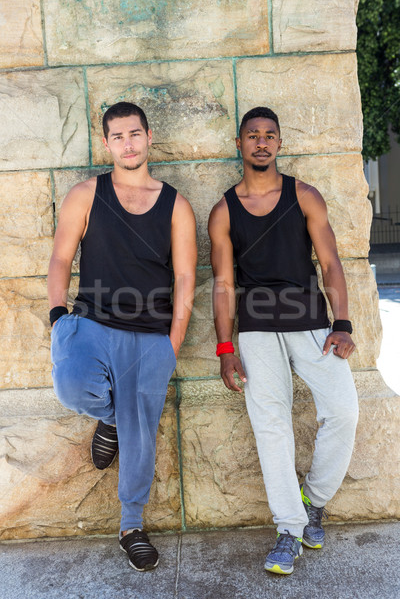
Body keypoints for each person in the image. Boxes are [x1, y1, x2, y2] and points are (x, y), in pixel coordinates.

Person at [208, 106, 358, 575]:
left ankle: (313, 500)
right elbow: (223, 284)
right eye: (252, 135)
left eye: (269, 135)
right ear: (240, 145)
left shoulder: (305, 196)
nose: (261, 143)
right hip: (255, 330)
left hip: (311, 322)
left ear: (279, 143)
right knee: (272, 425)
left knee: (344, 411)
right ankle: (289, 530)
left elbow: (331, 263)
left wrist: (343, 323)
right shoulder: (223, 210)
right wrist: (225, 348)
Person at [48, 101, 197, 571]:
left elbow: (186, 278)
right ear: (107, 143)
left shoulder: (176, 205)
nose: (128, 144)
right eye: (118, 137)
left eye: (135, 134)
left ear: (149, 137)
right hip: (90, 323)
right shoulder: (87, 194)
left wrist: (171, 345)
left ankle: (131, 525)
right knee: (71, 386)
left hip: (150, 334)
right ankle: (111, 420)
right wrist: (57, 317)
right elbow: (59, 258)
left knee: (142, 436)